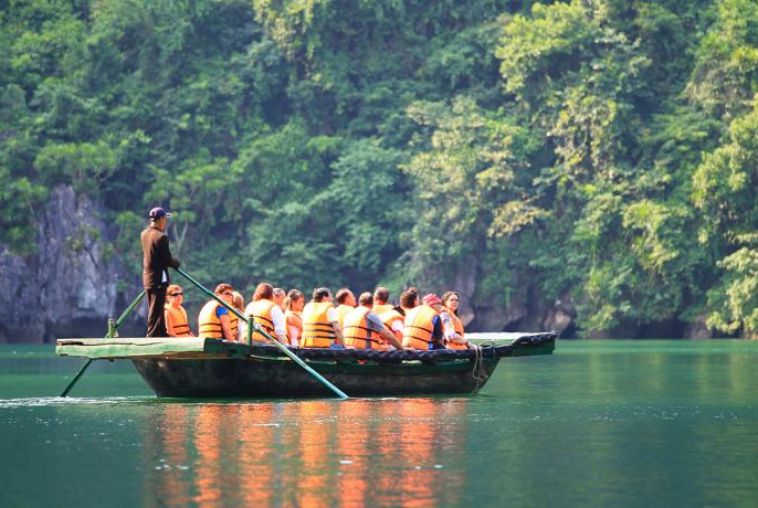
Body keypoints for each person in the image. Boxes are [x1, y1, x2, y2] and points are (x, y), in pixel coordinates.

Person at [141, 207, 180, 337]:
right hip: (159, 277)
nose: (165, 222)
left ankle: (161, 332)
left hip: (147, 276)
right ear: (161, 219)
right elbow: (167, 259)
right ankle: (152, 334)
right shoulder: (161, 237)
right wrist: (176, 264)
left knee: (154, 305)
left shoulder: (144, 234)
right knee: (156, 307)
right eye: (165, 219)